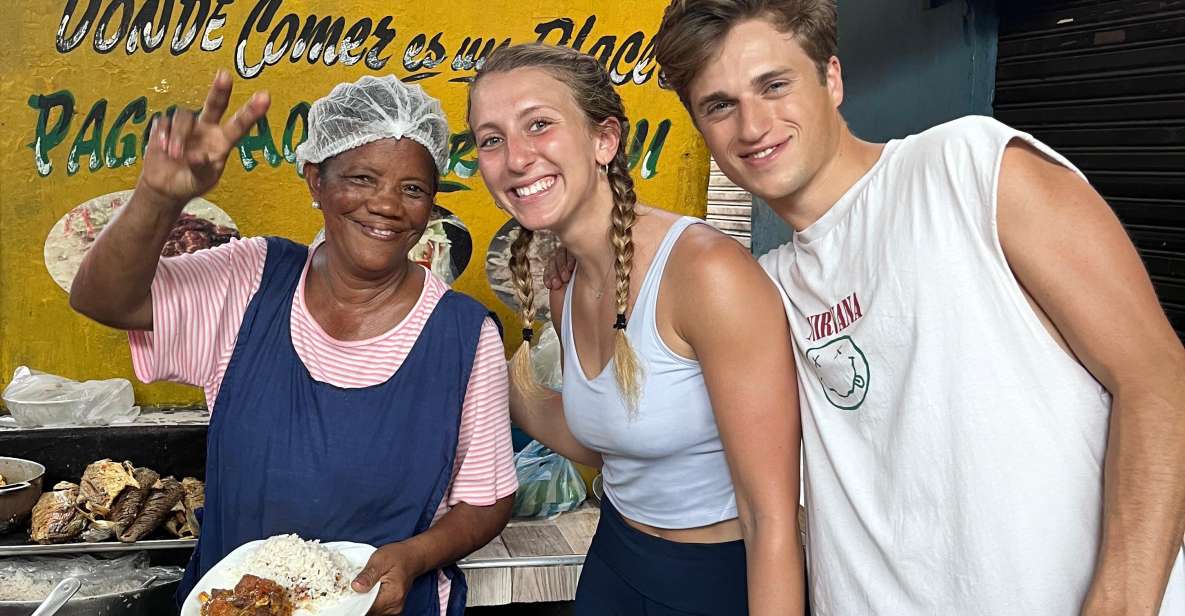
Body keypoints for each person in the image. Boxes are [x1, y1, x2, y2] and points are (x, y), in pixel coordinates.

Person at [628, 0, 1185, 614]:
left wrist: (1123, 603)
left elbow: (1158, 379)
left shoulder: (968, 166)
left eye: (775, 85)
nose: (753, 125)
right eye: (719, 105)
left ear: (831, 78)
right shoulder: (764, 287)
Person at [69, 71, 517, 616]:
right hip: (231, 603)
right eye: (361, 177)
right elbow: (102, 300)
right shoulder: (251, 280)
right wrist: (158, 198)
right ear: (315, 180)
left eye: (413, 189)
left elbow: (486, 497)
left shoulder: (465, 335)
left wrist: (416, 556)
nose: (387, 205)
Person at [467, 43, 806, 616]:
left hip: (715, 578)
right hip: (615, 561)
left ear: (604, 140)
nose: (516, 157)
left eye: (539, 125)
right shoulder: (566, 281)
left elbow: (771, 516)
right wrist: (474, 368)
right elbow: (610, 441)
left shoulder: (706, 273)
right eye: (491, 138)